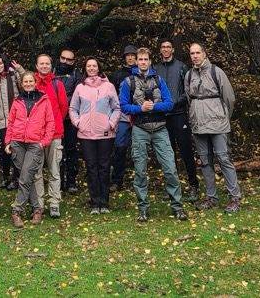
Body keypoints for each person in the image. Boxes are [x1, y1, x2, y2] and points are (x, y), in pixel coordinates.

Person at [119, 48, 187, 222]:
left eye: (145, 59)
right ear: (136, 62)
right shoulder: (128, 82)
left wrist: (154, 107)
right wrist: (140, 109)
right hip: (140, 129)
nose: (142, 62)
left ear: (150, 61)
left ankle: (177, 207)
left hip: (160, 129)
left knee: (170, 168)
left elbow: (169, 104)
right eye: (140, 59)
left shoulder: (159, 80)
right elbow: (124, 106)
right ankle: (143, 208)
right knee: (140, 171)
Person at [185, 42, 241, 213]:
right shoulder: (189, 75)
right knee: (205, 161)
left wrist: (223, 117)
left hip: (218, 124)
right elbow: (189, 98)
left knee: (224, 159)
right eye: (192, 53)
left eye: (197, 52)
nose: (195, 56)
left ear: (204, 53)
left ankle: (235, 197)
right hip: (198, 125)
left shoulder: (217, 72)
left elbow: (229, 98)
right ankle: (211, 197)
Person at [69, 57, 120, 213]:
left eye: (94, 65)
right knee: (91, 168)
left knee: (104, 167)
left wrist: (111, 124)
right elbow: (72, 108)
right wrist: (78, 123)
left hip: (105, 134)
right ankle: (94, 202)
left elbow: (116, 108)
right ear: (85, 69)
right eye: (88, 66)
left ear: (99, 68)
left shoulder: (109, 86)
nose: (91, 68)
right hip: (86, 135)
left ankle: (104, 202)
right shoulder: (80, 88)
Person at [4, 70, 54, 228]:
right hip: (17, 143)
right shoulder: (17, 101)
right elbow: (10, 122)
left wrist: (43, 142)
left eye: (30, 81)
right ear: (21, 83)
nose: (28, 84)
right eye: (25, 82)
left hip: (34, 144)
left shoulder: (44, 100)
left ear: (35, 82)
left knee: (25, 177)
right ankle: (37, 209)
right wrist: (8, 142)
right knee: (28, 177)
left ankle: (16, 210)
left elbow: (50, 123)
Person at [158, 38, 200, 200]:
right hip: (163, 116)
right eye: (163, 47)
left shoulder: (182, 67)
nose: (166, 49)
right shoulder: (156, 69)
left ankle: (193, 185)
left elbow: (187, 90)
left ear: (173, 50)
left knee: (186, 151)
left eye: (168, 47)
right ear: (160, 50)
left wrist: (175, 103)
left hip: (179, 114)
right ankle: (171, 187)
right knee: (168, 154)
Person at [29, 53, 69, 218]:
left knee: (54, 170)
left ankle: (54, 203)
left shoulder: (57, 84)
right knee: (36, 172)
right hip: (36, 136)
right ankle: (38, 204)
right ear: (37, 66)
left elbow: (63, 107)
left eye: (47, 63)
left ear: (50, 66)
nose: (44, 66)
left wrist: (55, 124)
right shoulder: (31, 83)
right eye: (41, 64)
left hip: (54, 134)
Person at [109, 45, 138, 190]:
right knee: (120, 148)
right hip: (123, 116)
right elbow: (111, 96)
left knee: (139, 149)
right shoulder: (117, 75)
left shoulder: (143, 72)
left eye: (133, 55)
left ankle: (139, 181)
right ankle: (117, 180)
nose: (131, 57)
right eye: (128, 55)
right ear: (125, 57)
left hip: (139, 115)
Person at [55, 48, 82, 196]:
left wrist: (66, 103)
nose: (65, 61)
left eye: (69, 59)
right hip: (54, 118)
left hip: (70, 118)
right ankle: (57, 181)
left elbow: (79, 95)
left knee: (71, 149)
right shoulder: (52, 73)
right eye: (63, 58)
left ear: (73, 61)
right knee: (56, 151)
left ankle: (71, 181)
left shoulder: (77, 75)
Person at [0, 55, 19, 190]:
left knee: (15, 149)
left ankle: (16, 178)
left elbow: (26, 80)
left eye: (0, 63)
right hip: (2, 120)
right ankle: (5, 177)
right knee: (5, 150)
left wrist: (19, 69)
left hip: (16, 119)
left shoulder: (13, 75)